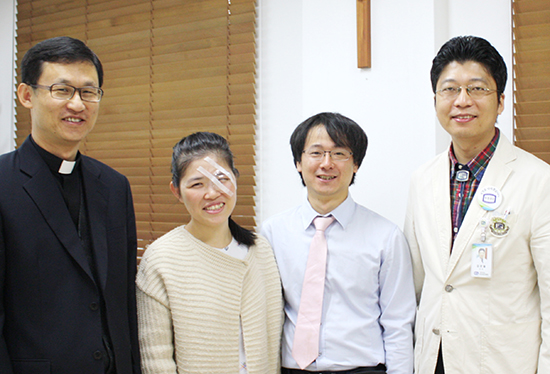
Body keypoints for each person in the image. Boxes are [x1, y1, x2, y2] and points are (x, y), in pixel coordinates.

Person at [404, 35, 550, 374]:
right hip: (433, 360)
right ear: (436, 99)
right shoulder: (421, 180)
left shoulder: (539, 181)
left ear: (500, 101)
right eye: (450, 89)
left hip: (503, 363)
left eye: (477, 89)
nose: (462, 101)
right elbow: (419, 283)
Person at [0, 37, 141, 373]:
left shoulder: (114, 186)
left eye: (88, 92)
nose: (78, 104)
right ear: (26, 96)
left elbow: (124, 305)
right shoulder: (3, 183)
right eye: (62, 90)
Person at [261, 112, 415, 374]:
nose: (327, 163)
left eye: (340, 153)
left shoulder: (386, 236)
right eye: (316, 153)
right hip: (291, 369)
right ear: (298, 162)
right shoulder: (273, 232)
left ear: (356, 164)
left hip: (362, 368)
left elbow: (398, 323)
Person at [136, 132, 283, 374]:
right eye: (197, 184)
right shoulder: (161, 258)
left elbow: (273, 340)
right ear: (176, 191)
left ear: (235, 179)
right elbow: (155, 358)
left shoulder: (260, 250)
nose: (212, 193)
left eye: (221, 179)